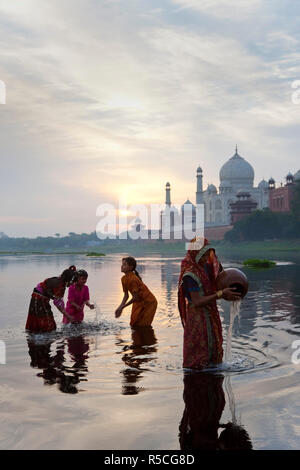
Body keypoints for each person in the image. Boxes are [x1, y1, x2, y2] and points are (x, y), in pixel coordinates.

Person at [178, 238, 241, 369]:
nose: (207, 257)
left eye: (208, 254)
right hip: (197, 318)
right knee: (199, 353)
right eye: (204, 254)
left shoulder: (207, 267)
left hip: (211, 314)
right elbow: (197, 301)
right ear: (196, 253)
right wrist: (221, 294)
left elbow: (221, 274)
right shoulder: (190, 275)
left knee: (214, 347)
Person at [25, 265, 77, 333]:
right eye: (72, 282)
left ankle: (35, 338)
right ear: (68, 280)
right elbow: (58, 303)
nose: (72, 285)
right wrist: (68, 316)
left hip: (38, 298)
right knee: (49, 325)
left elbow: (58, 301)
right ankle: (41, 339)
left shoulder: (59, 281)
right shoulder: (60, 286)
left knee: (43, 322)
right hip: (39, 299)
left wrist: (66, 314)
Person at [115, 257, 157, 327]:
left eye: (124, 264)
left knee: (142, 325)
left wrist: (122, 307)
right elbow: (126, 295)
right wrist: (120, 307)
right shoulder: (123, 279)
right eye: (122, 264)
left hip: (149, 302)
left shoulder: (133, 279)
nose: (122, 266)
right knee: (134, 323)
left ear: (131, 267)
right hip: (138, 301)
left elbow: (135, 297)